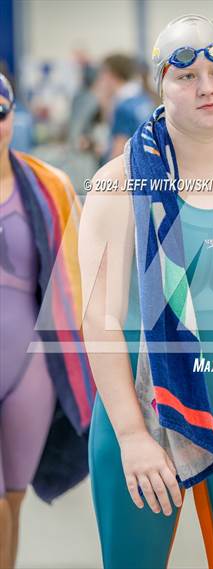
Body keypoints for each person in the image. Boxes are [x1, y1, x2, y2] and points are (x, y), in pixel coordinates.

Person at [80, 14, 213, 569]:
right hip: (146, 414)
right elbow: (99, 321)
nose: (205, 87)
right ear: (161, 84)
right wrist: (131, 434)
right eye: (186, 76)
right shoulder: (118, 183)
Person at [0, 73, 95, 569]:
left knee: (12, 500)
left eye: (1, 113)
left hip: (30, 369)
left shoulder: (48, 185)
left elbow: (78, 276)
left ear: (14, 114)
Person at [94, 54, 157, 161]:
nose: (101, 80)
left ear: (111, 74)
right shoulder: (144, 98)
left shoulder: (123, 107)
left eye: (102, 74)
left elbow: (117, 154)